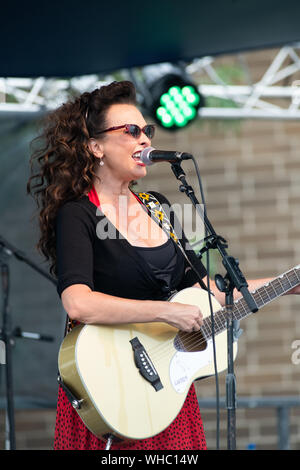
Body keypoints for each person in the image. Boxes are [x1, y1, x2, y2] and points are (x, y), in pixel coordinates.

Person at [27, 81, 300, 450]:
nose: (145, 140)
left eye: (147, 131)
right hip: (111, 386)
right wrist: (166, 313)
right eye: (131, 131)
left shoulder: (160, 206)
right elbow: (79, 303)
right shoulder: (78, 214)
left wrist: (288, 282)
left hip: (167, 386)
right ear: (95, 147)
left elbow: (207, 293)